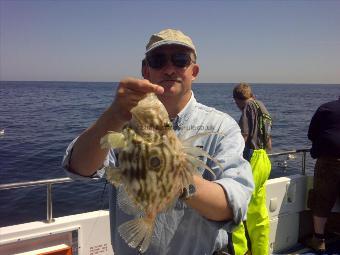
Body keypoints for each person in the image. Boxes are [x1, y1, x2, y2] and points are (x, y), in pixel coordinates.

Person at [62, 28, 254, 255]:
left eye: (180, 60)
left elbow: (234, 206)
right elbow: (79, 168)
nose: (170, 68)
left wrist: (179, 180)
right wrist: (113, 115)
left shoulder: (221, 127)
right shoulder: (121, 122)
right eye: (158, 60)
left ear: (194, 71)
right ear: (146, 69)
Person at [231, 83, 272, 255]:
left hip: (252, 159)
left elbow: (244, 135)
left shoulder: (247, 106)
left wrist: (231, 154)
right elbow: (268, 140)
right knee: (258, 211)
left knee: (237, 205)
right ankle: (260, 251)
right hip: (264, 158)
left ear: (237, 99)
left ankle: (240, 251)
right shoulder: (262, 107)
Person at [306, 97, 340, 253]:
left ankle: (319, 240)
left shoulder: (326, 108)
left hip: (328, 161)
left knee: (322, 199)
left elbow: (311, 133)